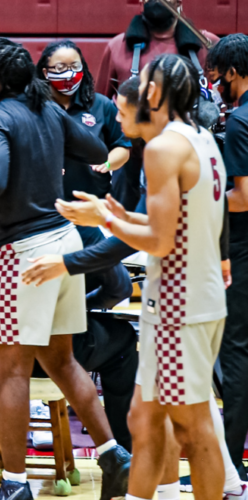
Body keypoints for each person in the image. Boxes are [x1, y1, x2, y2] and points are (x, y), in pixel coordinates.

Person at [46, 76, 246, 500]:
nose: (116, 119)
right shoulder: (201, 136)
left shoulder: (162, 149)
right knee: (145, 418)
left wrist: (106, 221)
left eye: (122, 110)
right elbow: (183, 221)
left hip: (180, 301)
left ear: (151, 102)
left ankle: (225, 488)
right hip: (191, 293)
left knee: (193, 429)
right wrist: (110, 214)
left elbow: (160, 241)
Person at [0, 37, 130, 500]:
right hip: (62, 244)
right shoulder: (50, 110)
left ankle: (15, 484)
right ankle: (115, 455)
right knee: (60, 360)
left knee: (13, 373)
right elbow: (97, 151)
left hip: (22, 254)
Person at [96, 0, 218, 211]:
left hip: (191, 159)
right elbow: (100, 109)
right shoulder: (117, 46)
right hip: (131, 165)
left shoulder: (207, 44)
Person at [207, 33, 248, 483]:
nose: (215, 83)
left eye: (218, 75)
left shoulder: (239, 122)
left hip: (242, 248)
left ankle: (230, 465)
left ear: (232, 73)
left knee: (235, 353)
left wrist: (199, 197)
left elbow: (243, 197)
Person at [36, 39, 131, 200]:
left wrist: (107, 163)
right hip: (44, 204)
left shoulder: (102, 105)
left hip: (93, 201)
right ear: (46, 72)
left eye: (75, 67)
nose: (70, 73)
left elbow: (123, 147)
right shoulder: (34, 106)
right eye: (61, 68)